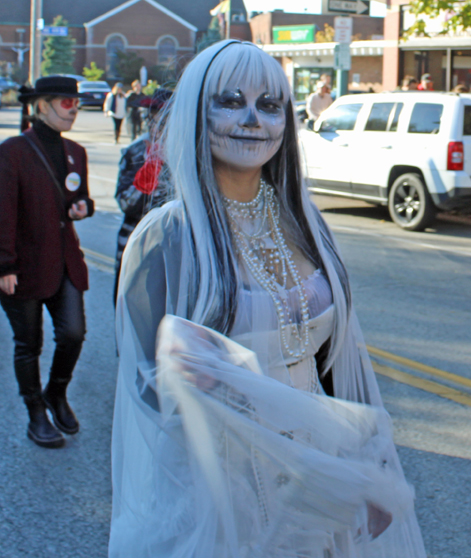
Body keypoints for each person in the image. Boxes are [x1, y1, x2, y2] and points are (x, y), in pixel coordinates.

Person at [109, 40, 426, 557]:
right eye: (230, 101)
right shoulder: (165, 235)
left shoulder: (304, 223)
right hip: (221, 493)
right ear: (195, 111)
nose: (253, 119)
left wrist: (372, 470)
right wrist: (188, 376)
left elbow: (334, 367)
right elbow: (143, 388)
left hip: (317, 485)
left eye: (270, 104)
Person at [0, 76, 94, 449]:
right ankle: (35, 411)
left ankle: (56, 392)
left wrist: (84, 206)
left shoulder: (76, 152)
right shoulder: (13, 151)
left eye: (77, 105)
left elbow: (80, 197)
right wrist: (4, 264)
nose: (74, 111)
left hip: (65, 261)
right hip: (21, 265)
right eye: (66, 103)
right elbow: (2, 211)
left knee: (73, 333)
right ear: (41, 105)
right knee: (29, 343)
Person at [113, 88, 173, 304]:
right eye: (153, 121)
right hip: (136, 249)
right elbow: (124, 203)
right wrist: (150, 172)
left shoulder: (192, 155)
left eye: (165, 123)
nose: (157, 129)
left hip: (177, 255)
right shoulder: (136, 152)